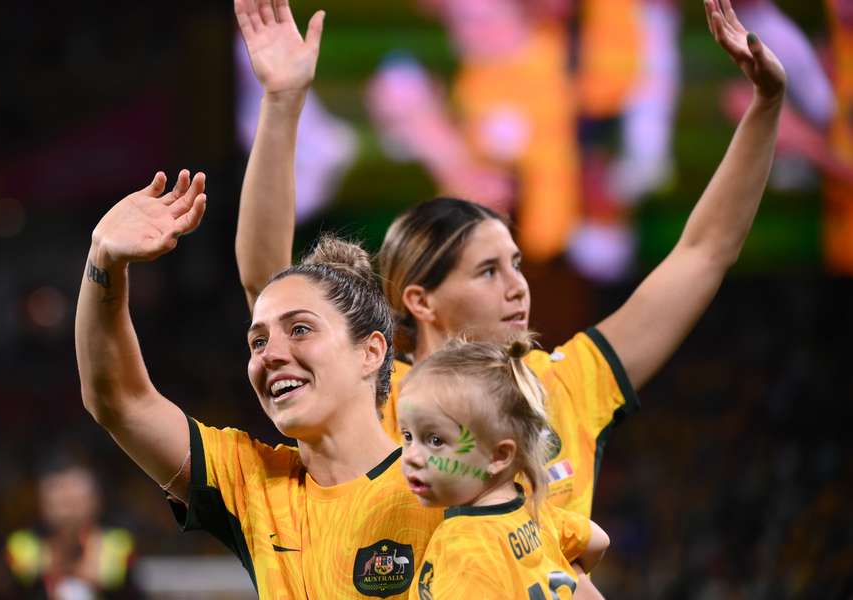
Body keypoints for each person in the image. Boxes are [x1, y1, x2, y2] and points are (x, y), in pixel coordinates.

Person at [235, 0, 786, 523]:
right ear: (420, 300)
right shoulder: (372, 395)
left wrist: (765, 106)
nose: (518, 286)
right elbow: (268, 286)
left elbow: (704, 252)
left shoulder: (567, 386)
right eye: (488, 271)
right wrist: (282, 102)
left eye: (516, 264)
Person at [75, 166, 443, 597]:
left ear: (372, 351)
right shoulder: (254, 485)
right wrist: (103, 260)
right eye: (258, 340)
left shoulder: (446, 486)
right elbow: (118, 400)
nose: (270, 354)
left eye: (301, 329)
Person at [398, 334, 609, 599]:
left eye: (435, 440)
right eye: (407, 436)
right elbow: (598, 539)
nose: (411, 456)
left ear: (499, 456)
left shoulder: (467, 550)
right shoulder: (534, 513)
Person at [4, 456, 143, 599]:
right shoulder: (23, 544)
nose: (70, 512)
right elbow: (22, 584)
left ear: (95, 501)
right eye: (62, 503)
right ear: (42, 504)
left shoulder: (118, 542)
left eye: (76, 502)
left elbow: (118, 585)